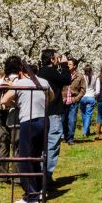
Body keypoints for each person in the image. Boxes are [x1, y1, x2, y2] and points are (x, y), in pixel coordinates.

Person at [0, 55, 52, 203]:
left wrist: (18, 101)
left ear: (22, 72)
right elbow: (52, 97)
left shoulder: (21, 83)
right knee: (36, 157)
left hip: (29, 121)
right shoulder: (44, 82)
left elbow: (4, 101)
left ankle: (31, 195)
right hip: (44, 120)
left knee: (24, 158)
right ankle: (40, 189)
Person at [36, 49, 71, 189]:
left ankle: (41, 174)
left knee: (43, 144)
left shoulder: (41, 72)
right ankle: (46, 175)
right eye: (56, 58)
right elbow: (67, 79)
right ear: (51, 59)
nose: (58, 59)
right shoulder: (49, 71)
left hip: (42, 112)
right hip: (52, 112)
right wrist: (64, 65)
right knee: (53, 142)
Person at [64, 59, 84, 144]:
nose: (68, 66)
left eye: (70, 64)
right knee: (64, 120)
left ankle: (70, 138)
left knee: (72, 120)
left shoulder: (80, 76)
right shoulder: (63, 74)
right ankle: (65, 136)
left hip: (73, 101)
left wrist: (76, 99)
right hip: (64, 101)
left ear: (75, 66)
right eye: (67, 64)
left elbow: (83, 90)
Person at [79, 65, 97, 138]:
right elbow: (96, 88)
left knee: (83, 115)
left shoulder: (82, 77)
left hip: (83, 97)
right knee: (88, 115)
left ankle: (86, 130)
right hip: (91, 97)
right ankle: (85, 131)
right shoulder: (95, 77)